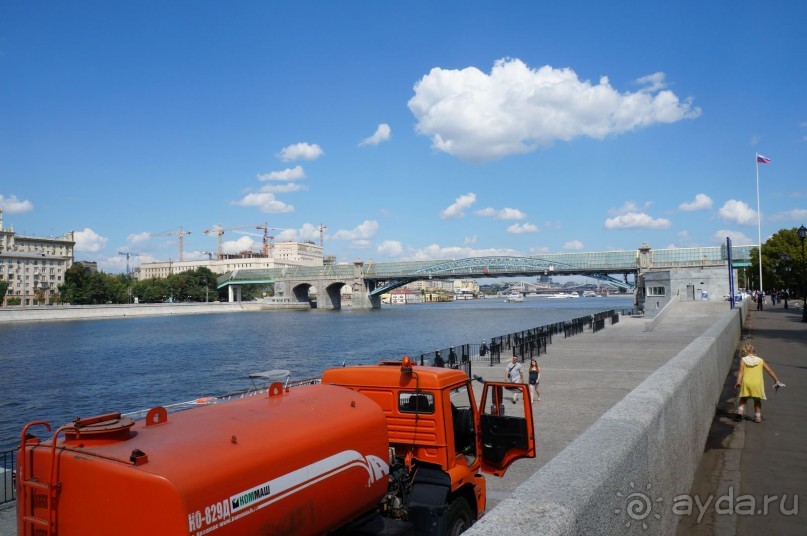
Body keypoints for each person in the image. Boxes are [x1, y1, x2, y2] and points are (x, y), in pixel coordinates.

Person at [734, 343, 784, 423]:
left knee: (743, 398)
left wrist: (738, 381)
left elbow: (740, 372)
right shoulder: (760, 360)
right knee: (757, 401)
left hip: (746, 383)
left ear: (745, 353)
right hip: (757, 384)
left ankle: (740, 413)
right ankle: (758, 416)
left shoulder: (743, 360)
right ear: (755, 352)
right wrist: (776, 380)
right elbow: (769, 370)